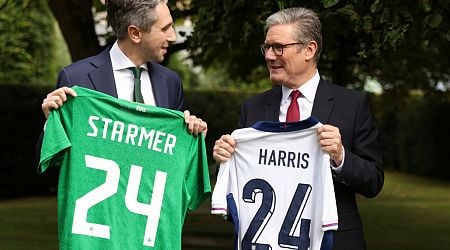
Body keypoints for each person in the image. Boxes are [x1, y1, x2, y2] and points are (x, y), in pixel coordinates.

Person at [212, 7, 384, 250]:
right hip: (265, 243)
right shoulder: (253, 108)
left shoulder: (352, 105)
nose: (270, 56)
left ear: (309, 49)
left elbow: (373, 182)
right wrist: (226, 161)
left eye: (279, 47)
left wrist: (340, 156)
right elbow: (237, 196)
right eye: (267, 48)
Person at [39, 0, 206, 137]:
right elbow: (50, 162)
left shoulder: (171, 82)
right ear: (135, 33)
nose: (173, 36)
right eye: (165, 28)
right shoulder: (76, 79)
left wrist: (192, 134)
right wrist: (52, 124)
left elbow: (176, 156)